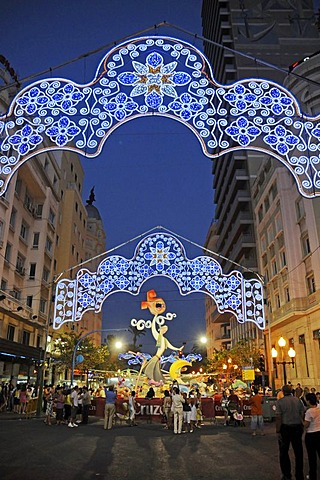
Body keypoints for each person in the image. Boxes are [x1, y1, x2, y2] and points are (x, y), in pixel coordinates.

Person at [276, 384, 304, 480]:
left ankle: (287, 474)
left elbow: (279, 417)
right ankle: (299, 474)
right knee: (298, 452)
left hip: (285, 427)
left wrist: (278, 430)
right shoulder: (298, 400)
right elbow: (302, 412)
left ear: (283, 392)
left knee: (284, 452)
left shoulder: (280, 402)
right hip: (297, 427)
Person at [304, 392, 320, 480]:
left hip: (311, 435)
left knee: (312, 457)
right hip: (319, 432)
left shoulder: (309, 411)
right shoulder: (319, 409)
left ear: (309, 401)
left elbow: (306, 425)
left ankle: (312, 476)